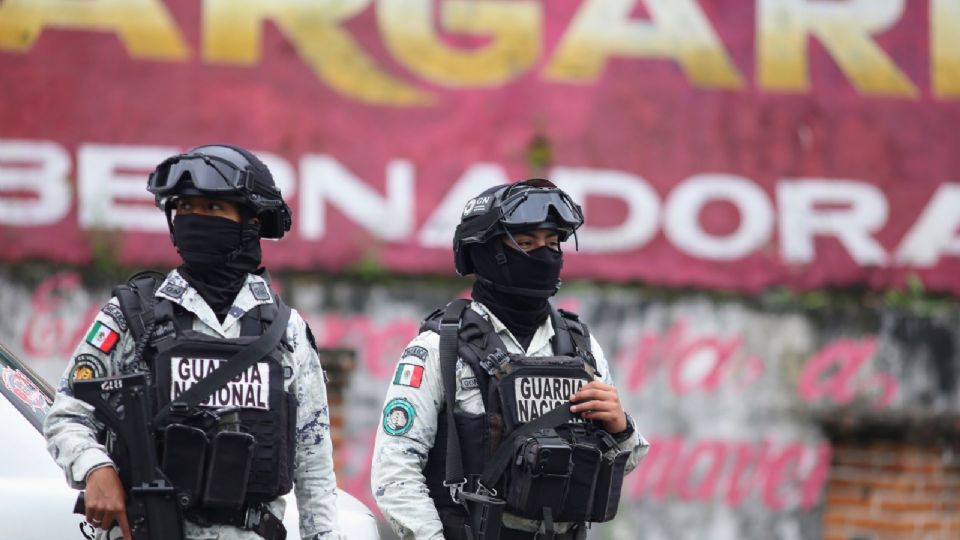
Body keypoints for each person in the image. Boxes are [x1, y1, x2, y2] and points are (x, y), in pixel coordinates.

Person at [43, 144, 340, 539]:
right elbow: (68, 413)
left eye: (213, 208)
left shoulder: (286, 332)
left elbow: (314, 470)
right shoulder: (133, 316)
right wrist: (95, 468)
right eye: (184, 207)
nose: (194, 219)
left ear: (251, 223)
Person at [371, 179, 649, 540]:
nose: (545, 256)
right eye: (527, 244)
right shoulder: (439, 348)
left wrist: (620, 428)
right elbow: (395, 472)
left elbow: (624, 462)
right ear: (485, 252)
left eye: (553, 244)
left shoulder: (580, 347)